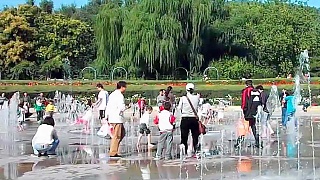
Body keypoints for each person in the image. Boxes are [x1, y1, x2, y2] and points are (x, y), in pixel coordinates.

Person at [236, 80, 262, 148]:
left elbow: (244, 101)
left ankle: (239, 142)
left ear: (246, 85)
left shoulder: (246, 90)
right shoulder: (256, 91)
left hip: (247, 111)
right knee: (253, 126)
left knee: (244, 126)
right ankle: (258, 141)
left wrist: (243, 108)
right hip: (254, 111)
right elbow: (260, 101)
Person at [177, 83, 200, 157]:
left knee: (184, 136)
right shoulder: (197, 97)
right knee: (195, 136)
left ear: (186, 89)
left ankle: (184, 152)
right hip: (194, 119)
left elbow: (179, 108)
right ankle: (196, 151)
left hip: (185, 118)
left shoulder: (183, 98)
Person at [106, 81, 128, 158]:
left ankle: (113, 147)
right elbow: (121, 107)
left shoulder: (112, 94)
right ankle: (113, 152)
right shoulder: (119, 95)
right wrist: (126, 107)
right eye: (125, 87)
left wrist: (106, 116)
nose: (125, 89)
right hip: (117, 118)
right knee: (117, 135)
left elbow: (108, 106)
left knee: (121, 133)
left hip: (112, 117)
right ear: (122, 87)